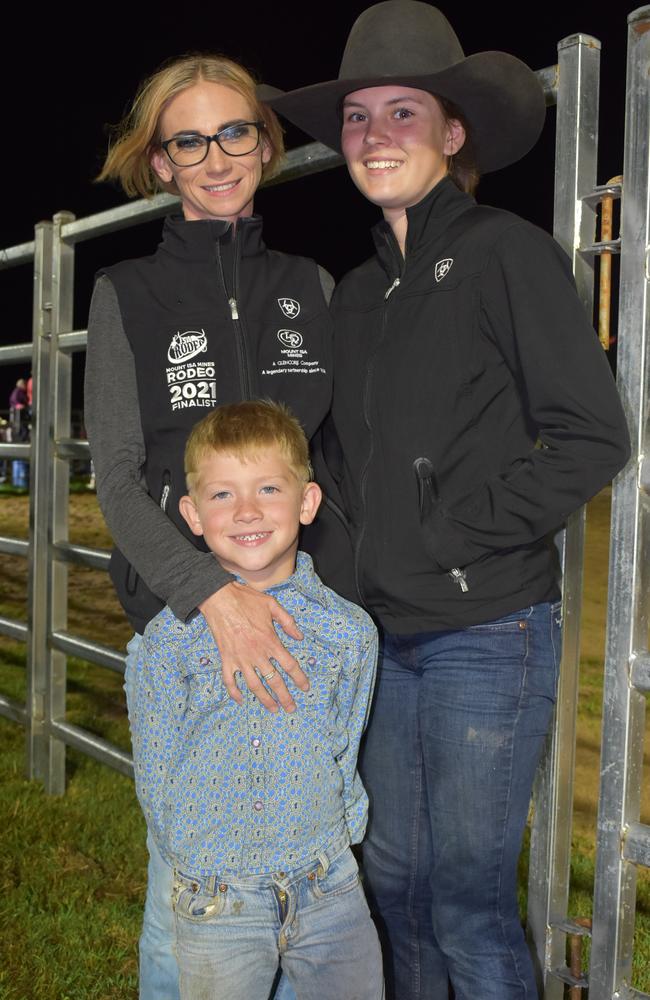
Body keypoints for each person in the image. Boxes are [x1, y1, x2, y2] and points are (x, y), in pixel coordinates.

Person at [270, 4, 632, 998]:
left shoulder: (505, 256)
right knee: (390, 878)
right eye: (356, 118)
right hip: (379, 631)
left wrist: (452, 532)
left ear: (451, 131)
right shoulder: (348, 295)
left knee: (466, 895)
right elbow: (335, 462)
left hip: (484, 625)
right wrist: (335, 562)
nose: (374, 136)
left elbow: (594, 435)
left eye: (402, 112)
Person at [84, 53, 333, 1000]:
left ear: (265, 145)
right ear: (161, 164)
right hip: (183, 620)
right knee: (186, 872)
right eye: (189, 140)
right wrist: (204, 594)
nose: (216, 155)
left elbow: (335, 457)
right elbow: (112, 472)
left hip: (299, 615)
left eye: (235, 131)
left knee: (303, 855)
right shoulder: (125, 295)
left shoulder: (311, 283)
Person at [127, 399, 383, 999]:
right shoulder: (169, 641)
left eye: (269, 488)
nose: (246, 511)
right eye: (222, 495)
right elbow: (156, 774)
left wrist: (338, 837)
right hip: (218, 899)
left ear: (307, 501)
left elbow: (346, 745)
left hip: (330, 890)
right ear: (191, 513)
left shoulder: (349, 632)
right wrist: (196, 861)